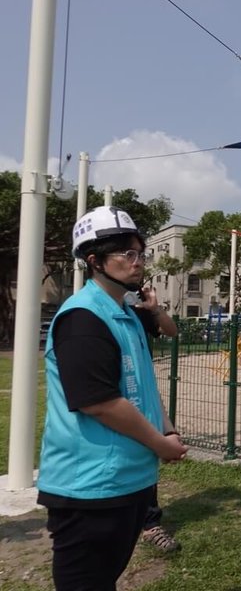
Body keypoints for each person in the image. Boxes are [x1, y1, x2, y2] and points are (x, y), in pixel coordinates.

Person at [37, 206, 188, 590]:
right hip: (90, 486)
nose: (139, 263)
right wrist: (159, 443)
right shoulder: (82, 319)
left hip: (126, 479)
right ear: (94, 261)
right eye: (128, 255)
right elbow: (99, 401)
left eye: (141, 254)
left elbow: (141, 384)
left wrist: (167, 430)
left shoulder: (124, 312)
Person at [129, 287, 182, 553]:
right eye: (128, 255)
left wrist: (155, 308)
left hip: (141, 390)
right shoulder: (91, 311)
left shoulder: (138, 310)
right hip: (115, 393)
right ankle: (123, 519)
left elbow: (171, 331)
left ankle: (150, 524)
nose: (135, 262)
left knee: (145, 457)